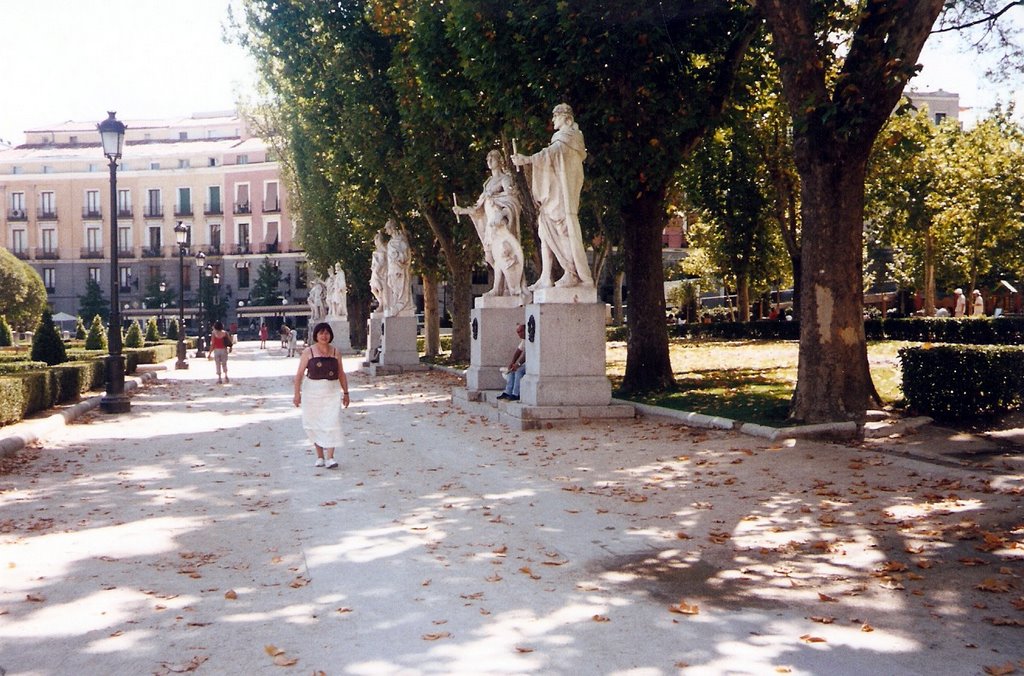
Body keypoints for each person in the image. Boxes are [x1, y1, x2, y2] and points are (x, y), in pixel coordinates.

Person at [511, 102, 594, 290]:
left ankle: (572, 272)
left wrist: (527, 159)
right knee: (545, 232)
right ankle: (546, 276)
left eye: (556, 116)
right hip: (555, 195)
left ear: (567, 118)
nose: (553, 119)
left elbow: (549, 154)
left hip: (562, 196)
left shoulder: (568, 138)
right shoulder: (564, 139)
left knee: (563, 231)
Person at [453, 149, 527, 298]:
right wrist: (461, 210)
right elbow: (477, 207)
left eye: (491, 159)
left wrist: (502, 213)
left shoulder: (504, 179)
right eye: (487, 160)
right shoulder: (488, 183)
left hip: (499, 224)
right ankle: (503, 282)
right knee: (490, 257)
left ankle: (498, 288)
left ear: (499, 161)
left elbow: (511, 199)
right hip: (490, 224)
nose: (489, 162)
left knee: (500, 254)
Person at [293, 322, 350, 469]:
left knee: (332, 422)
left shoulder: (335, 352)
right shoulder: (308, 352)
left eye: (327, 333)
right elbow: (299, 374)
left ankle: (330, 457)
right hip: (312, 391)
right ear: (316, 336)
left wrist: (346, 392)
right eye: (321, 333)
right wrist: (296, 394)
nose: (324, 336)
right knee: (315, 422)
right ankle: (320, 456)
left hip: (331, 390)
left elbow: (341, 373)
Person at [385, 219, 413, 316]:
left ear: (392, 228)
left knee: (400, 287)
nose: (386, 231)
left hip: (399, 269)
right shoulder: (391, 242)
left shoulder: (401, 240)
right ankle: (396, 304)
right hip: (392, 269)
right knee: (393, 286)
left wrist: (399, 259)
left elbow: (405, 254)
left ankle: (400, 304)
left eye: (387, 229)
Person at [497, 323, 526, 402]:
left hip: (531, 363)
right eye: (518, 332)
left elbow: (526, 355)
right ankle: (508, 392)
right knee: (511, 370)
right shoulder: (524, 340)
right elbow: (519, 351)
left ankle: (516, 394)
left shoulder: (530, 339)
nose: (519, 334)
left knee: (518, 371)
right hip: (525, 363)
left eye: (521, 331)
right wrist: (512, 362)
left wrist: (518, 364)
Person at [370, 231, 388, 312]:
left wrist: (377, 270)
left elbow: (382, 262)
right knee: (373, 289)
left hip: (381, 272)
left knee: (381, 288)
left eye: (376, 240)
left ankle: (382, 305)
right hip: (375, 271)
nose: (375, 242)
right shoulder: (378, 250)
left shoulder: (383, 250)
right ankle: (381, 302)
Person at [209, 320, 232, 384]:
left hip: (217, 350)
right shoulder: (225, 333)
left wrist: (210, 353)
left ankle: (219, 378)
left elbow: (212, 344)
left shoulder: (213, 333)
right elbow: (230, 341)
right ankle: (226, 376)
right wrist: (230, 348)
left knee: (217, 364)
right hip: (224, 350)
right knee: (224, 363)